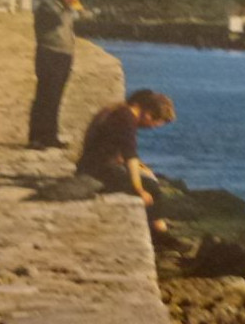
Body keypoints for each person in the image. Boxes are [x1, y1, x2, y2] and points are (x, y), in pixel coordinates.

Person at [75, 88, 175, 232]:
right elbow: (130, 156)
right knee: (152, 187)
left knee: (148, 180)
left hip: (92, 165)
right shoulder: (126, 120)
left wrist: (141, 167)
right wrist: (139, 188)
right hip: (98, 171)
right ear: (148, 115)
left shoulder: (120, 112)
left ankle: (156, 228)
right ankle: (160, 232)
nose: (152, 128)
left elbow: (116, 149)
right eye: (155, 123)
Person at [28, 0, 85, 149]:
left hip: (65, 55)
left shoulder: (66, 7)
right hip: (49, 53)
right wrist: (71, 8)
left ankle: (51, 136)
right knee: (45, 96)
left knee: (56, 98)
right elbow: (58, 20)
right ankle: (36, 138)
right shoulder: (48, 4)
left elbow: (80, 18)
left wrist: (76, 9)